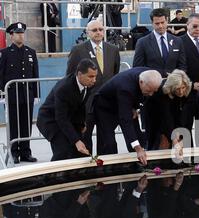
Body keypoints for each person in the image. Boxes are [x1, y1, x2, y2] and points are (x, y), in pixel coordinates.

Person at [66, 20, 121, 151]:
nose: (98, 32)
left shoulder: (113, 50)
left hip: (106, 103)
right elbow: (70, 77)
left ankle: (105, 166)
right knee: (85, 136)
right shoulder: (78, 50)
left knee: (107, 139)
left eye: (101, 30)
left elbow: (115, 73)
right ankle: (86, 167)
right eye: (94, 30)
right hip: (85, 104)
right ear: (87, 33)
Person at [93, 68, 162, 165]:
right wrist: (138, 148)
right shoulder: (126, 87)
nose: (151, 94)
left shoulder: (150, 75)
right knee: (109, 143)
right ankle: (107, 169)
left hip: (127, 104)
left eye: (154, 91)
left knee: (137, 138)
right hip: (106, 108)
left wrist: (135, 107)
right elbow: (125, 120)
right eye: (149, 90)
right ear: (141, 82)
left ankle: (139, 164)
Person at [37, 59, 98, 161]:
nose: (94, 80)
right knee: (63, 151)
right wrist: (76, 140)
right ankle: (54, 173)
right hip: (50, 120)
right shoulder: (64, 88)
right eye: (90, 76)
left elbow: (81, 105)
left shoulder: (89, 84)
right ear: (79, 74)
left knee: (83, 150)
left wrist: (82, 125)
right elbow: (61, 118)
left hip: (69, 118)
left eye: (95, 76)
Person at [0, 22, 39, 164]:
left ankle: (25, 152)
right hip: (11, 95)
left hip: (26, 95)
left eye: (22, 33)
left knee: (26, 124)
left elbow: (35, 74)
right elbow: (1, 74)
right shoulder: (4, 53)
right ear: (11, 36)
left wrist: (36, 94)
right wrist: (2, 93)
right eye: (17, 33)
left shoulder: (31, 52)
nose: (21, 36)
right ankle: (14, 152)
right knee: (14, 124)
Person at [132, 8, 187, 77]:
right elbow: (137, 68)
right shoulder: (142, 42)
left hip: (173, 85)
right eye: (157, 23)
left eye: (162, 22)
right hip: (152, 85)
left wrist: (176, 78)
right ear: (152, 23)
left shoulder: (177, 41)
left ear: (167, 21)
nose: (160, 26)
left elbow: (182, 65)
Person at [147, 69, 191, 149]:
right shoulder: (163, 91)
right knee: (159, 139)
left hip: (171, 111)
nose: (181, 92)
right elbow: (167, 116)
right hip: (155, 113)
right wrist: (173, 138)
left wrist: (179, 133)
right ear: (172, 87)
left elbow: (181, 114)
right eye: (177, 89)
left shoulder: (185, 91)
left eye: (183, 87)